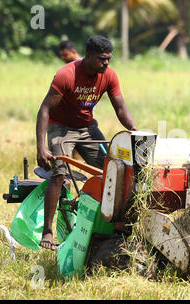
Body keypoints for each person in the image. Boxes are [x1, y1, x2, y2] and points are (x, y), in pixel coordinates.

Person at [36, 36, 137, 251]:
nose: (106, 63)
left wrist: (135, 132)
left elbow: (120, 108)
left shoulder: (108, 75)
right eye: (102, 59)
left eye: (109, 59)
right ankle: (47, 231)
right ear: (88, 56)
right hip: (61, 128)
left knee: (114, 171)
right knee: (59, 173)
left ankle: (117, 225)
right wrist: (40, 147)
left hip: (88, 128)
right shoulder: (66, 75)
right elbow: (44, 110)